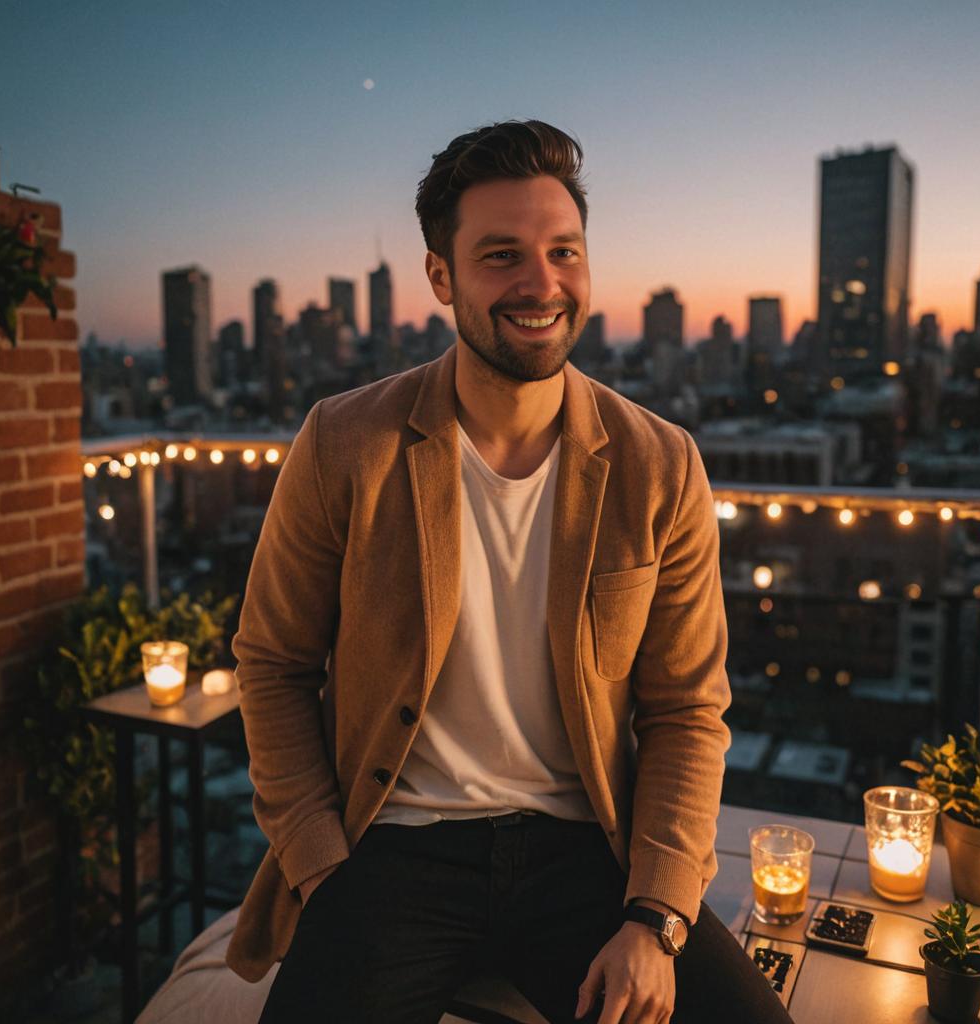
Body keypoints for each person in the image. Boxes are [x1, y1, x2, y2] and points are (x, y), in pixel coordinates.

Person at [226, 120, 792, 1024]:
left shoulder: (660, 464)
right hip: (392, 851)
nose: (541, 283)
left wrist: (656, 917)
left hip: (584, 853)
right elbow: (271, 662)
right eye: (502, 255)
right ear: (442, 278)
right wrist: (318, 863)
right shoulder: (343, 443)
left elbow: (688, 707)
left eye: (563, 250)